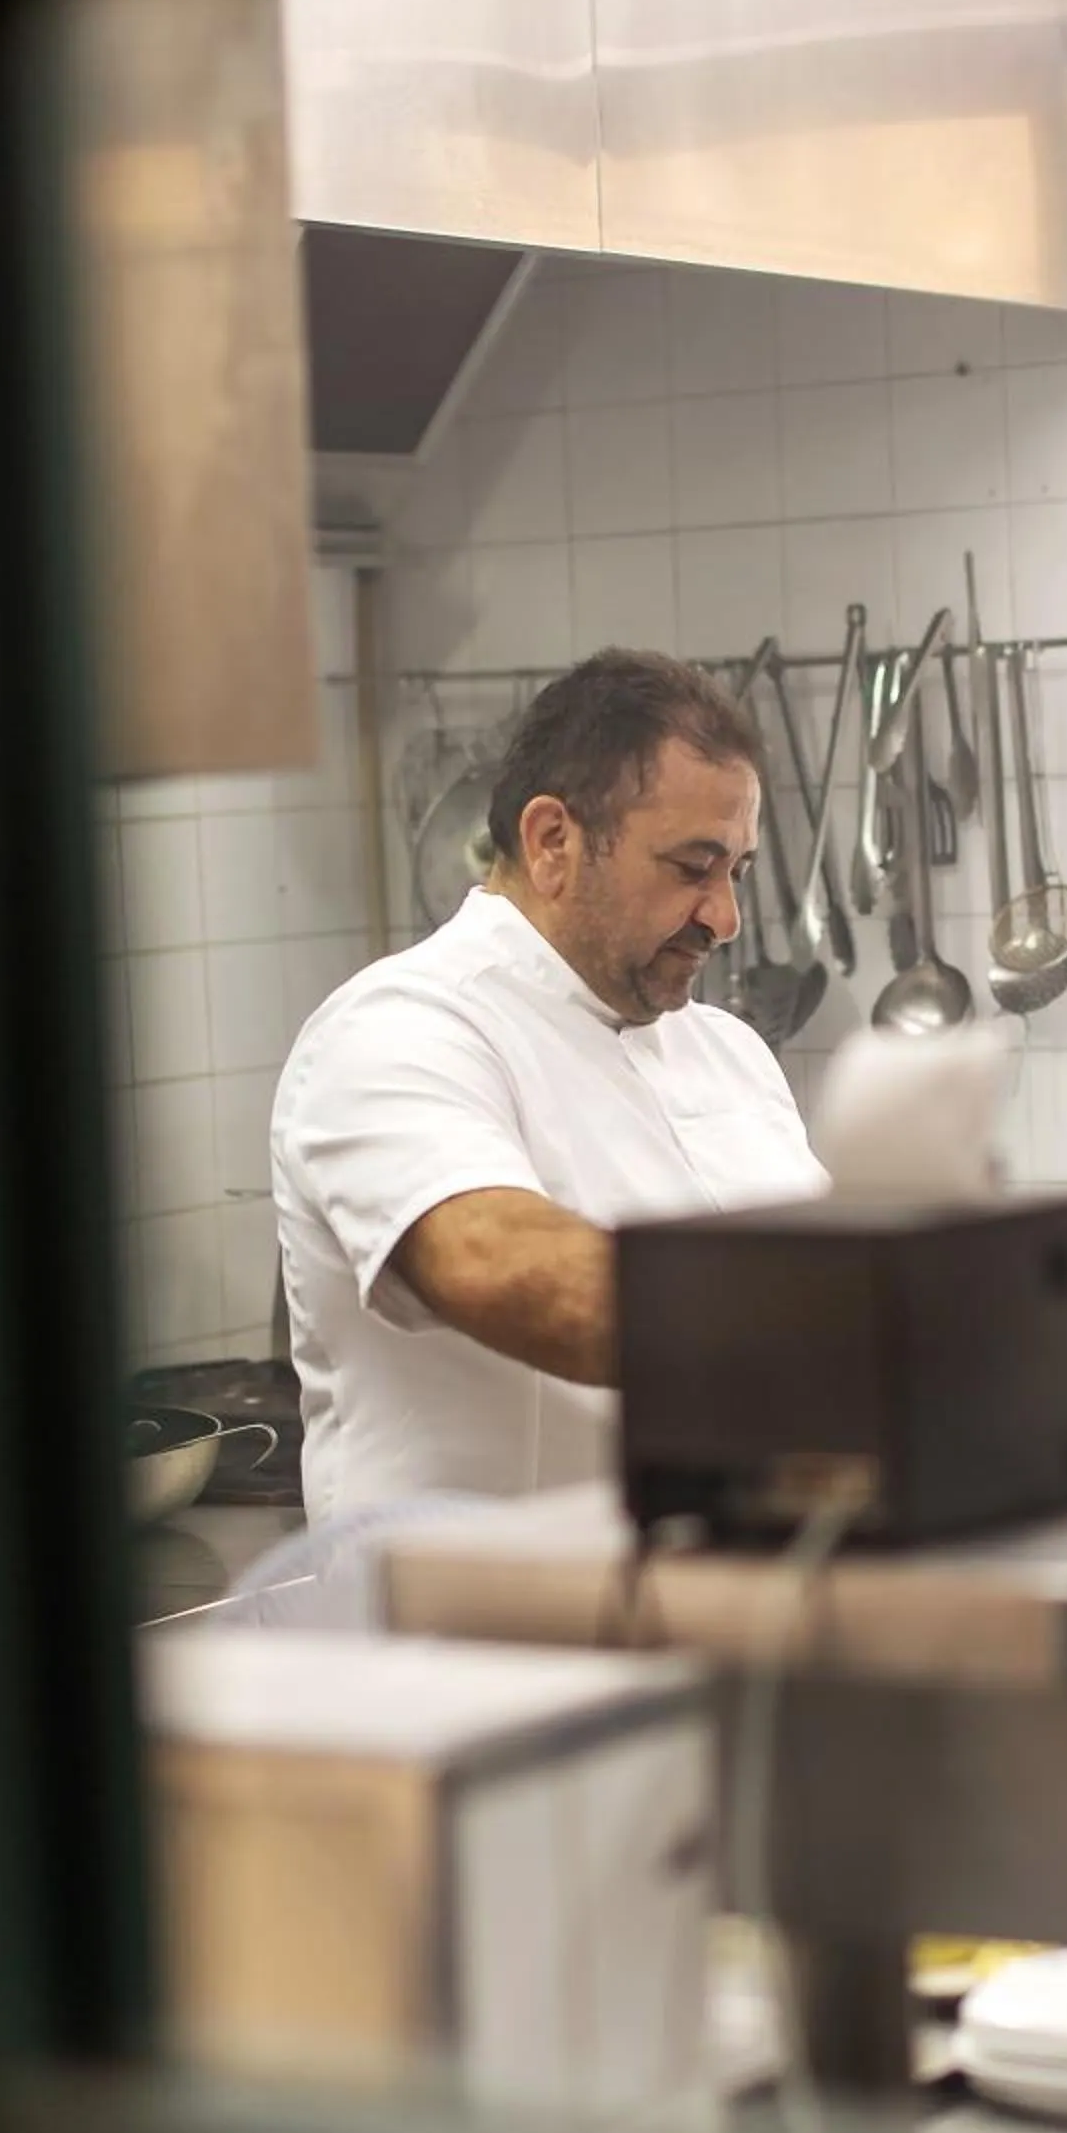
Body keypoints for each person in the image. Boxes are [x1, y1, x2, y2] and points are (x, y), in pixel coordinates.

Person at [271, 650, 828, 1521]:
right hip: (474, 1604)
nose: (725, 919)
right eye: (693, 867)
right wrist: (837, 1327)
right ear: (552, 842)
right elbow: (499, 1264)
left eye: (738, 873)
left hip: (716, 1592)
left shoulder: (729, 1051)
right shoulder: (395, 1032)